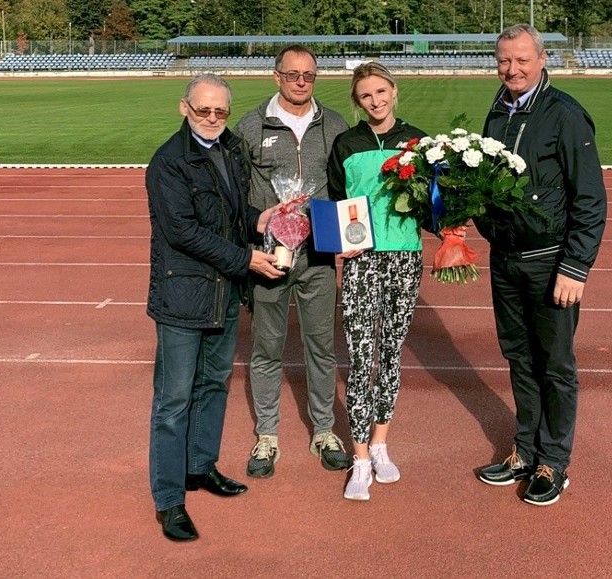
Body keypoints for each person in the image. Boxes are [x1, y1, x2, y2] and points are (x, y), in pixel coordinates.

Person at [146, 73, 283, 542]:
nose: (211, 119)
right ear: (183, 107)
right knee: (173, 401)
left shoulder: (229, 151)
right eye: (203, 110)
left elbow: (229, 216)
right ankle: (169, 500)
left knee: (213, 386)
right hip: (184, 297)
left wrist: (259, 219)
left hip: (224, 293)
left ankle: (200, 468)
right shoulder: (168, 162)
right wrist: (247, 258)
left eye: (220, 112)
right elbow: (183, 231)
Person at [474, 24, 607, 506]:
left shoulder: (564, 115)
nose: (512, 69)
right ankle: (524, 450)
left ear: (543, 58)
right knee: (519, 359)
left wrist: (576, 266)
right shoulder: (497, 110)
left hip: (550, 262)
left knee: (554, 365)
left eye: (522, 60)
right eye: (504, 61)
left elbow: (589, 198)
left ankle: (554, 460)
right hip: (506, 260)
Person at [234, 44, 351, 478]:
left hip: (318, 257)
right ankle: (267, 435)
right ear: (276, 76)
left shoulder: (334, 124)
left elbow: (345, 188)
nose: (301, 82)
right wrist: (250, 241)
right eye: (292, 74)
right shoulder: (249, 125)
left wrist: (348, 232)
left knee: (321, 345)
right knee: (265, 348)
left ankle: (323, 429)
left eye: (309, 76)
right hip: (269, 257)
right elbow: (236, 194)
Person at [327, 62, 427, 501]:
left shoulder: (418, 140)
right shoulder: (345, 144)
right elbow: (334, 203)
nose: (376, 100)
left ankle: (382, 443)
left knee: (390, 354)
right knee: (361, 356)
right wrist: (338, 248)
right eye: (366, 95)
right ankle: (360, 458)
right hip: (362, 261)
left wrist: (452, 230)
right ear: (357, 101)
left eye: (381, 91)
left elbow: (432, 202)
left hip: (405, 258)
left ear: (394, 91)